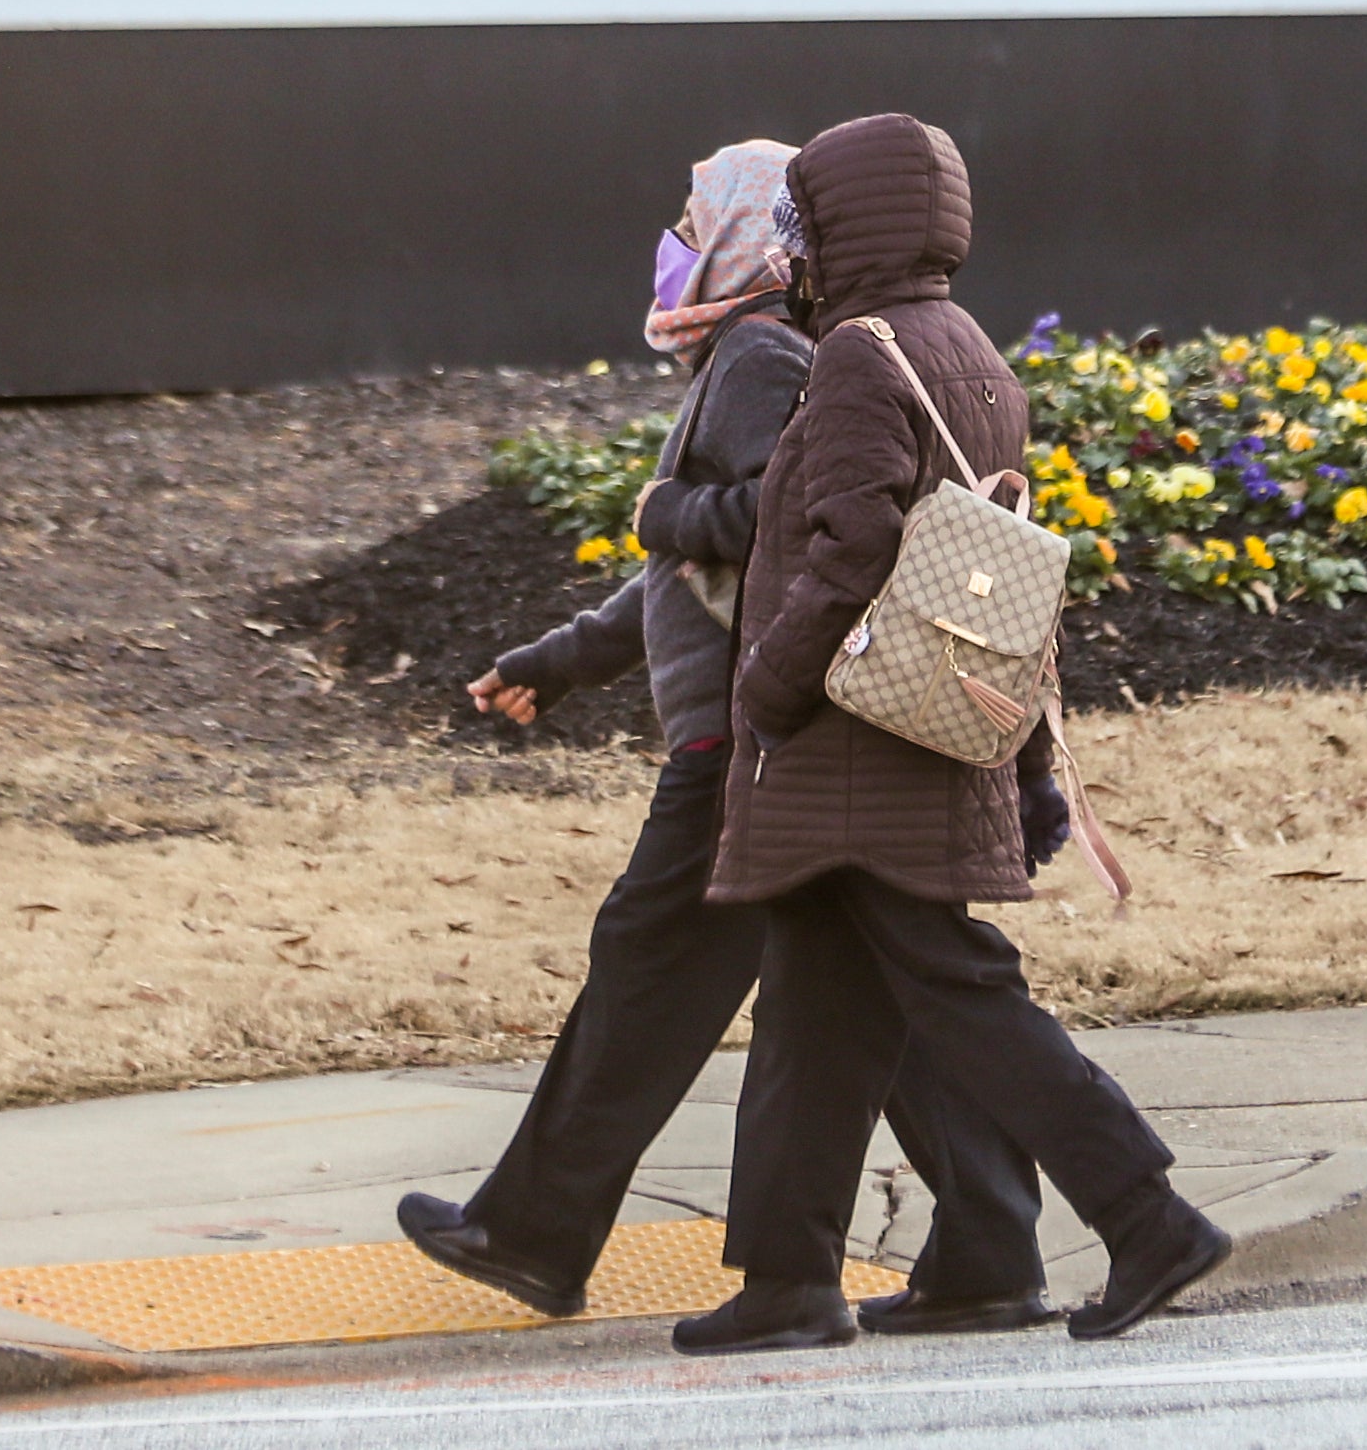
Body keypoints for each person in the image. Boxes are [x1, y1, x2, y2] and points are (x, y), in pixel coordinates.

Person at [397, 139, 1059, 1338]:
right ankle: (988, 1250)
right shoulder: (769, 350)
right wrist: (559, 662)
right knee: (876, 995)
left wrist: (668, 508)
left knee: (648, 974)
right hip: (759, 727)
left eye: (693, 212)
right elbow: (696, 578)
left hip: (746, 741)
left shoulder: (757, 354)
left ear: (749, 232)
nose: (674, 233)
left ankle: (536, 1235)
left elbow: (783, 524)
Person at [676, 113, 1231, 1357]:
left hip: (853, 743)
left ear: (846, 224)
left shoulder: (859, 356)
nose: (795, 243)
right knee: (817, 1018)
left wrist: (768, 687)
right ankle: (791, 1281)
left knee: (968, 1001)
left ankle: (1148, 1216)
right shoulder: (969, 347)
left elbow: (853, 547)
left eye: (805, 217)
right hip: (920, 735)